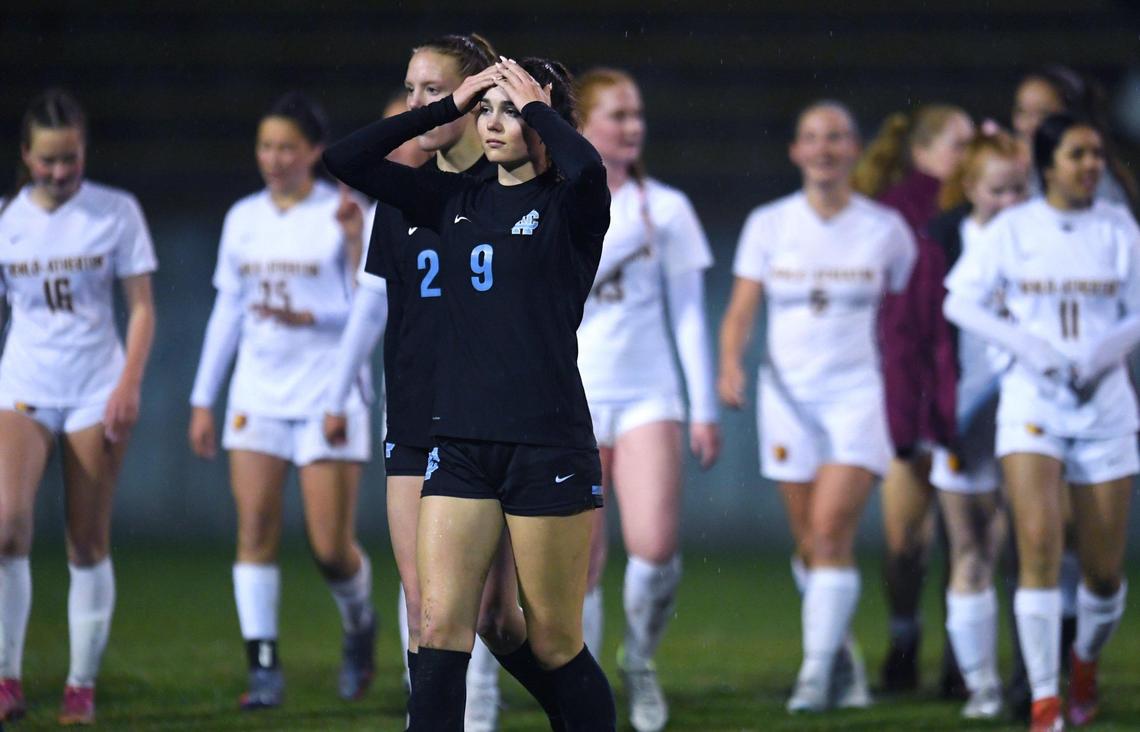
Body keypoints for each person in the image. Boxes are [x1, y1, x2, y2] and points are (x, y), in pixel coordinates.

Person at [325, 56, 617, 731]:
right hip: (457, 445)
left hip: (546, 447)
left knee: (554, 641)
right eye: (486, 110)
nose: (493, 123)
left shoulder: (570, 204)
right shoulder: (454, 199)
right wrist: (446, 106)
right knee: (437, 630)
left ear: (546, 118)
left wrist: (538, 107)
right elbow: (345, 159)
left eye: (510, 110)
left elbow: (589, 169)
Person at [944, 112, 1140, 732]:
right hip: (1032, 404)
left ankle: (1084, 661)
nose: (1092, 165)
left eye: (1096, 153)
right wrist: (1032, 350)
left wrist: (1100, 354)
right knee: (1037, 549)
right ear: (1047, 164)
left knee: (1103, 575)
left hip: (1105, 406)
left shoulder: (1118, 228)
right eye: (1077, 154)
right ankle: (1044, 702)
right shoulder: (1012, 229)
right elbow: (959, 301)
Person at [719, 100, 916, 713]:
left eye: (836, 137)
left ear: (854, 149)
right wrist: (730, 363)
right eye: (812, 137)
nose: (824, 148)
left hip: (858, 397)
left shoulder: (886, 230)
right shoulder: (769, 224)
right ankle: (845, 661)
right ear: (796, 151)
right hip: (787, 399)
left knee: (831, 533)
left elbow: (908, 319)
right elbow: (741, 310)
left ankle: (812, 677)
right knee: (811, 544)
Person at [187, 91, 377, 710]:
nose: (273, 158)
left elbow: (368, 309)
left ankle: (359, 624)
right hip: (258, 392)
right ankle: (264, 667)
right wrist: (203, 398)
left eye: (287, 147)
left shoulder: (345, 213)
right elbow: (228, 309)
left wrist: (351, 250)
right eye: (266, 146)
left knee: (331, 549)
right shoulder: (243, 217)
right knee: (255, 531)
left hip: (328, 393)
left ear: (315, 151)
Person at [0, 88, 157, 725]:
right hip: (24, 385)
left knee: (86, 540)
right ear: (25, 155)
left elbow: (142, 308)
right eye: (48, 160)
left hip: (97, 389)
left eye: (70, 158)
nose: (60, 171)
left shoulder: (115, 211)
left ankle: (80, 685)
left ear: (84, 151)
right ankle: (6, 678)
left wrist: (128, 385)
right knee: (6, 527)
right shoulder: (7, 220)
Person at [572, 67, 720, 732]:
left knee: (655, 547)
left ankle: (639, 660)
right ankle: (588, 686)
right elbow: (551, 291)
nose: (633, 127)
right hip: (572, 393)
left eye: (637, 115)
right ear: (582, 125)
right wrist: (624, 246)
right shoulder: (553, 201)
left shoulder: (667, 208)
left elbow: (688, 314)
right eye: (618, 115)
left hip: (648, 393)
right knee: (582, 560)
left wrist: (703, 406)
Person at [854, 103, 975, 694]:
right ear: (923, 151)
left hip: (966, 391)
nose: (970, 156)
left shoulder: (981, 207)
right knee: (906, 542)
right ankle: (904, 639)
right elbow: (897, 321)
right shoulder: (894, 213)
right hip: (906, 392)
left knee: (965, 537)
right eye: (959, 144)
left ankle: (961, 657)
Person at [925, 130, 1030, 719]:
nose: (1010, 202)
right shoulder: (946, 240)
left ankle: (1035, 680)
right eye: (997, 191)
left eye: (1019, 189)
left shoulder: (1040, 240)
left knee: (1025, 548)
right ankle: (981, 686)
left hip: (1027, 412)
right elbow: (920, 328)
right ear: (969, 189)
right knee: (969, 550)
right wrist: (930, 411)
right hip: (963, 415)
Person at [1011, 65, 1139, 210]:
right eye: (1021, 112)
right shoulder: (1006, 165)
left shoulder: (1092, 177)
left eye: (1044, 114)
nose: (1029, 125)